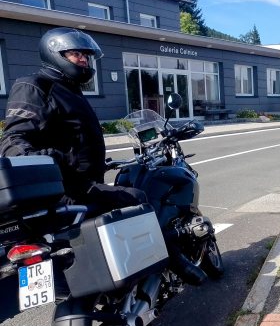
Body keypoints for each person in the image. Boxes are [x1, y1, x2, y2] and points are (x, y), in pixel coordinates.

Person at [0, 27, 206, 285]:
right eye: (76, 54)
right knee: (139, 198)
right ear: (55, 54)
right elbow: (14, 141)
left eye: (87, 56)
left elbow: (72, 141)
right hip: (67, 191)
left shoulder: (69, 90)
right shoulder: (35, 86)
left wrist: (97, 164)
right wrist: (54, 165)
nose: (84, 60)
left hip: (77, 184)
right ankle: (176, 262)